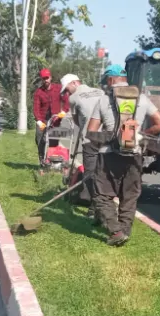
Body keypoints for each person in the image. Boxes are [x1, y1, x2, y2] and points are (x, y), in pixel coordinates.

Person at [85, 65, 160, 246]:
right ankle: (125, 231)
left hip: (108, 156)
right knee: (129, 195)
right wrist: (139, 135)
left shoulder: (103, 100)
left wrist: (110, 139)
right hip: (134, 153)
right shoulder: (142, 98)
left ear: (110, 80)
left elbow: (90, 133)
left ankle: (116, 231)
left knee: (101, 195)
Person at [61, 73, 107, 223]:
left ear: (74, 83)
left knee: (90, 175)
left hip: (90, 140)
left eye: (67, 89)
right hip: (107, 138)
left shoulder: (73, 98)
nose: (67, 93)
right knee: (103, 173)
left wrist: (84, 126)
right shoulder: (100, 92)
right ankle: (101, 204)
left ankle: (95, 208)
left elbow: (76, 121)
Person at [32, 68, 70, 165]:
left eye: (47, 78)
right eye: (43, 78)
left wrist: (63, 112)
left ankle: (52, 161)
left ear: (50, 77)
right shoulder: (39, 92)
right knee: (40, 139)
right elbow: (36, 108)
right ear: (41, 79)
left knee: (53, 141)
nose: (46, 80)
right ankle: (42, 160)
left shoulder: (58, 88)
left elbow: (67, 101)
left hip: (55, 119)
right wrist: (39, 121)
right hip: (43, 120)